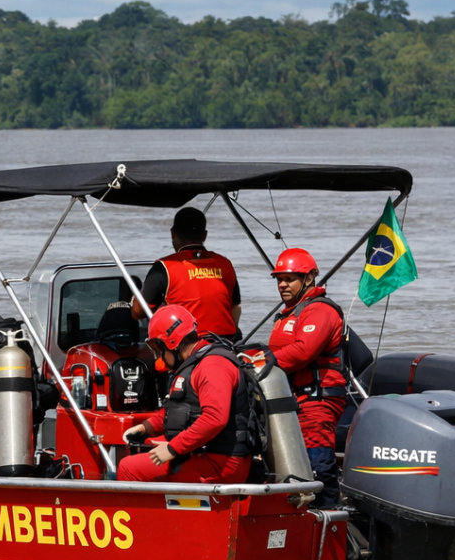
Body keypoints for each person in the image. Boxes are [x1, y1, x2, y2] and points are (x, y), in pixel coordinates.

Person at [120, 305, 253, 484]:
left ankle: (150, 513)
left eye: (160, 350)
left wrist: (173, 448)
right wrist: (146, 428)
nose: (159, 357)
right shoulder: (196, 362)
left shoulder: (212, 366)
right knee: (148, 448)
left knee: (129, 468)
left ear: (171, 344)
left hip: (222, 463)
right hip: (207, 452)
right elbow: (180, 408)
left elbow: (215, 418)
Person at [267, 248, 346, 507]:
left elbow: (303, 351)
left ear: (309, 278)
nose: (282, 285)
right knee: (288, 465)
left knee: (317, 465)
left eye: (289, 278)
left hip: (317, 400)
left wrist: (266, 361)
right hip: (291, 400)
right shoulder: (290, 313)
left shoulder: (320, 310)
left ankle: (331, 520)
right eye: (279, 279)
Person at [131, 207, 241, 340]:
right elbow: (235, 308)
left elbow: (137, 312)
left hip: (186, 349)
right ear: (204, 235)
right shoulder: (225, 264)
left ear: (173, 233)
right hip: (226, 344)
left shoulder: (164, 267)